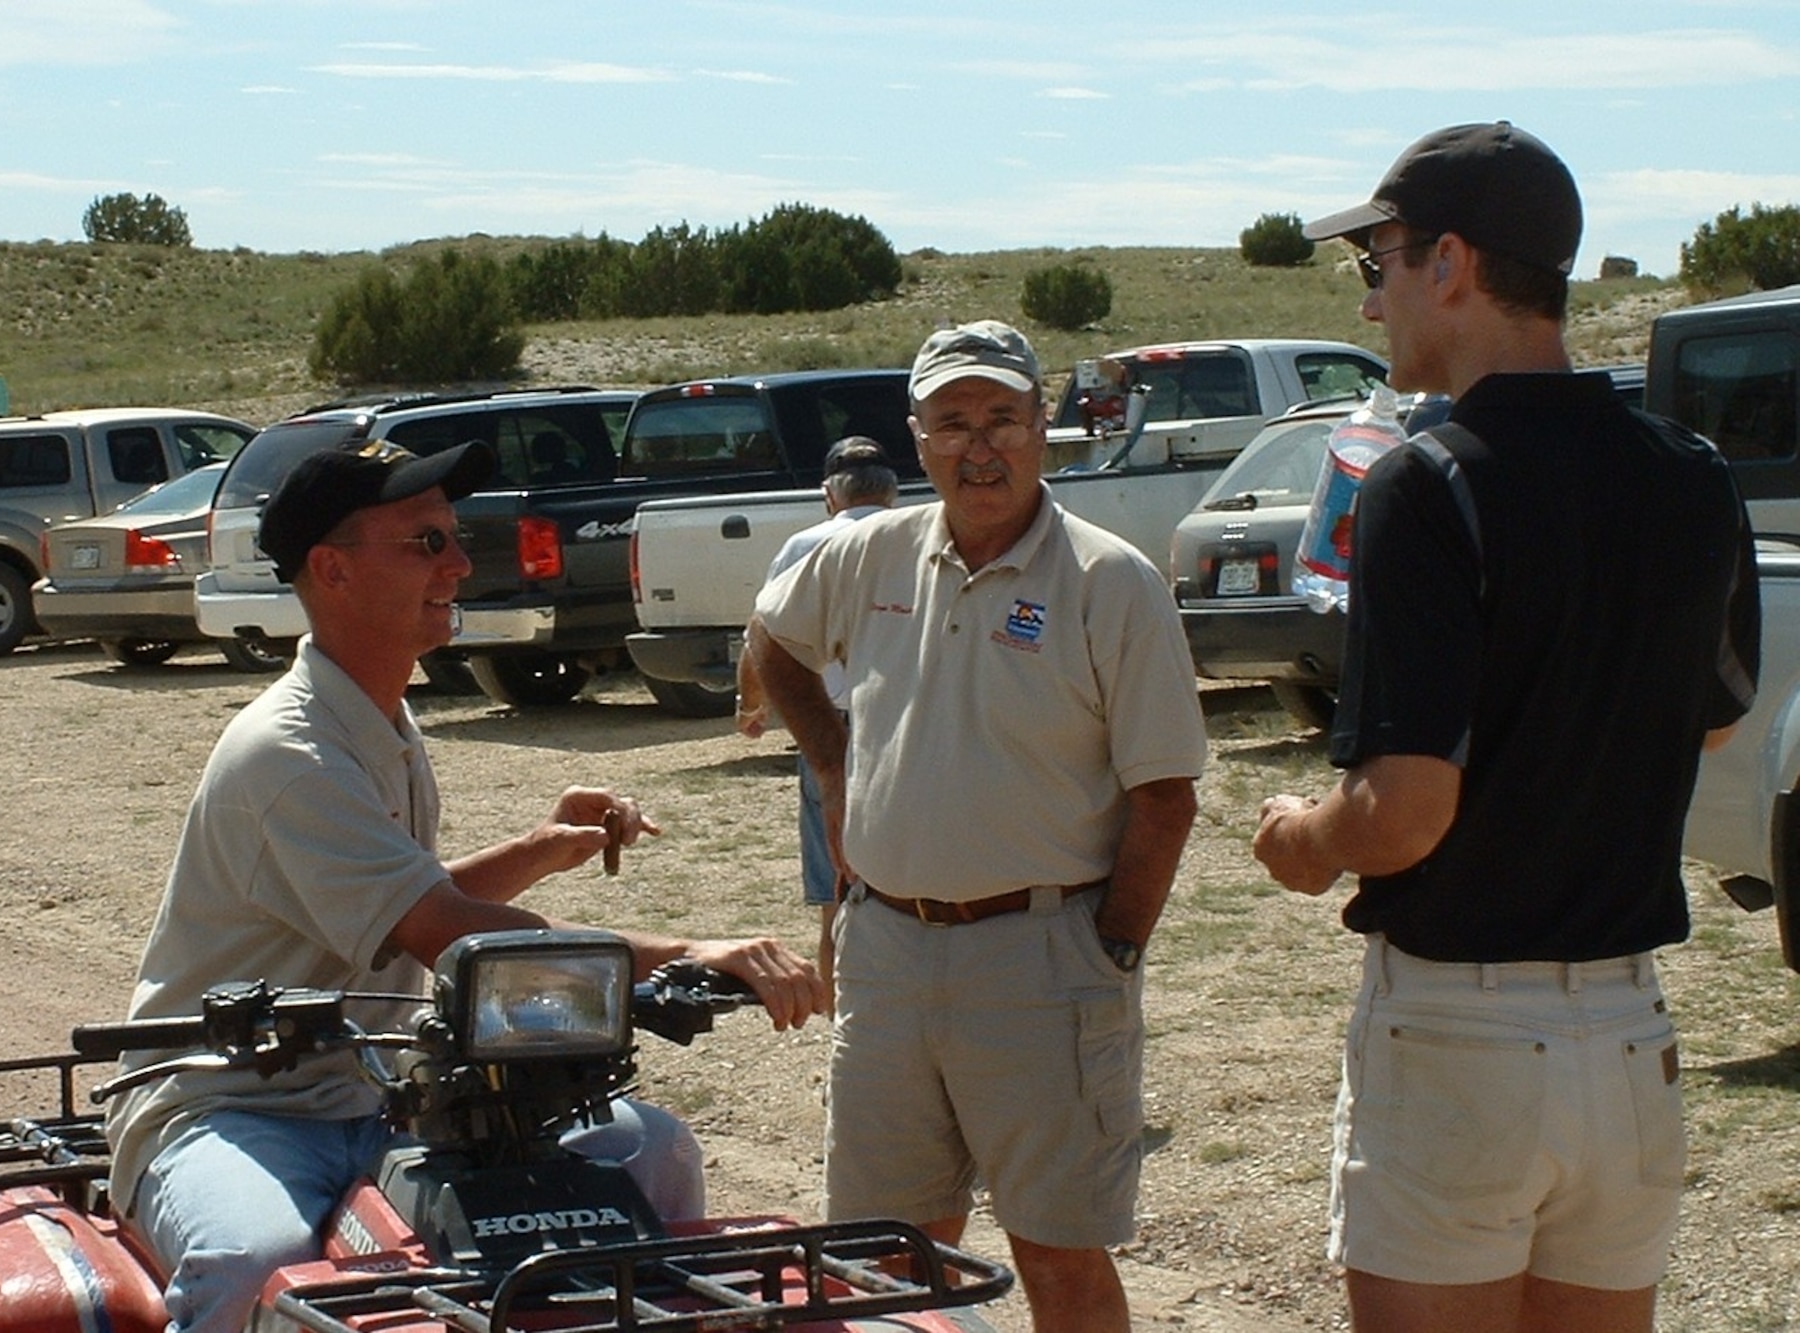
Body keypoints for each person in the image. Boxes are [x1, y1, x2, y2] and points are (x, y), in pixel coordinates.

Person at [104, 436, 829, 1333]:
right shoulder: (289, 751)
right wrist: (690, 950)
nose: (458, 562)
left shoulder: (375, 714)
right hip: (232, 1102)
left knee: (655, 1153)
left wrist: (537, 847)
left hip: (380, 1095)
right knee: (255, 1263)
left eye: (453, 538)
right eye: (427, 542)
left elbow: (397, 897)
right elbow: (443, 927)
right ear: (332, 569)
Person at [1252, 122, 1760, 1333]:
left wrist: (1301, 837)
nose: (1369, 302)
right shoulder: (1691, 473)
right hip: (1629, 1034)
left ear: (1451, 264)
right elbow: (1709, 724)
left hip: (1458, 1036)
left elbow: (1402, 813)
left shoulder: (1428, 479)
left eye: (1376, 263)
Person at [747, 320, 1206, 1332]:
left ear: (1043, 425)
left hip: (1041, 957)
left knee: (1058, 1254)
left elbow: (1165, 795)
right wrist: (832, 763)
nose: (980, 445)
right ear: (917, 437)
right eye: (952, 421)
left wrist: (1110, 949)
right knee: (883, 1256)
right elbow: (771, 638)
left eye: (1002, 416)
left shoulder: (1109, 581)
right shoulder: (867, 552)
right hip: (887, 955)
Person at [734, 435, 899, 988]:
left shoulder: (804, 546)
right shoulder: (916, 538)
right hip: (905, 722)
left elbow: (764, 636)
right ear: (892, 492)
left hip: (828, 726)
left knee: (836, 891)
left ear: (830, 495)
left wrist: (751, 704)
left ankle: (840, 1015)